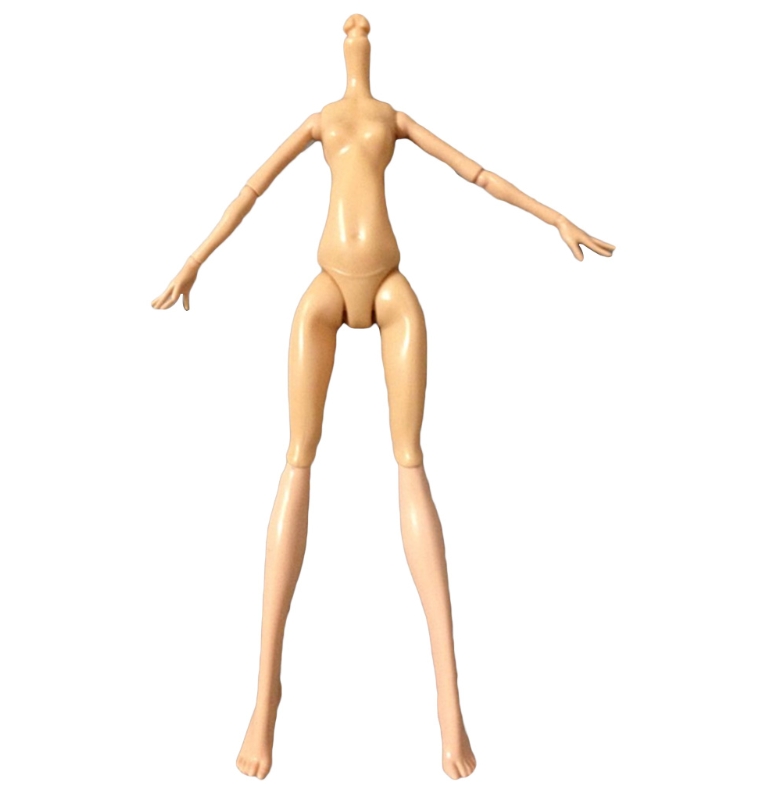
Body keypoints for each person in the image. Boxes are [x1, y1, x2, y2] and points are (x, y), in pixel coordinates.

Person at [151, 14, 615, 780]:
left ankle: (450, 709)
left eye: (364, 26)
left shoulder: (393, 119)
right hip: (327, 290)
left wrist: (553, 217)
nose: (357, 25)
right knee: (297, 460)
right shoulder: (320, 122)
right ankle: (265, 698)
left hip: (392, 292)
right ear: (343, 46)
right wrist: (193, 260)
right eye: (349, 26)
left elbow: (476, 173)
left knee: (409, 462)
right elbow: (251, 191)